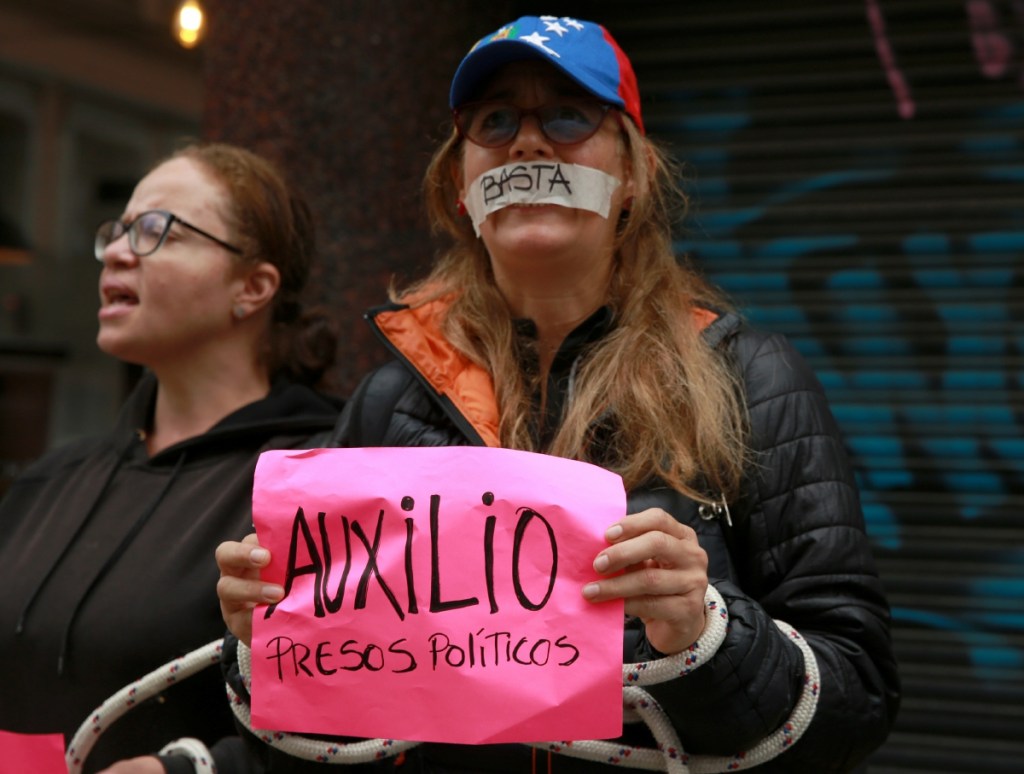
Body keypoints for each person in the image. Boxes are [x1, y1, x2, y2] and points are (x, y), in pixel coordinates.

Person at [216, 15, 901, 773]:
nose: (529, 144)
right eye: (495, 121)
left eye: (569, 116)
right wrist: (267, 647)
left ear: (633, 174)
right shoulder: (390, 403)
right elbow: (307, 748)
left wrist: (708, 634)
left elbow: (858, 698)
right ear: (460, 182)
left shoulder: (749, 378)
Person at [0, 142, 342, 774]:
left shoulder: (322, 476)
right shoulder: (51, 481)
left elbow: (359, 719)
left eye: (158, 230)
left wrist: (199, 768)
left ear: (253, 287)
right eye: (119, 231)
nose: (120, 252)